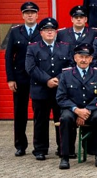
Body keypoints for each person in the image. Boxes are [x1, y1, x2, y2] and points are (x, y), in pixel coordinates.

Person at [25, 17, 73, 160]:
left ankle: (64, 149)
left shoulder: (65, 47)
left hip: (60, 90)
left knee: (63, 120)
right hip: (40, 90)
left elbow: (70, 65)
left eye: (52, 30)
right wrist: (47, 80)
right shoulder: (33, 48)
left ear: (56, 32)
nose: (50, 33)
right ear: (41, 32)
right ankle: (40, 149)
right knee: (40, 121)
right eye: (46, 30)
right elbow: (31, 68)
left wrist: (57, 79)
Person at [55, 43, 97, 169]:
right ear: (75, 58)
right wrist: (77, 110)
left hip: (91, 109)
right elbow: (61, 97)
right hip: (72, 109)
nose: (83, 60)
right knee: (65, 119)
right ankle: (65, 157)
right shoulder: (66, 75)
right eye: (81, 56)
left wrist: (87, 110)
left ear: (91, 59)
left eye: (87, 57)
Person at [5, 1, 41, 156]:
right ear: (23, 15)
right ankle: (20, 145)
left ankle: (39, 146)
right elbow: (8, 57)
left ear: (37, 15)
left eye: (32, 12)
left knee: (39, 112)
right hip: (20, 78)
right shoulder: (15, 32)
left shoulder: (43, 30)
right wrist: (10, 78)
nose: (30, 15)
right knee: (20, 113)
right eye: (27, 13)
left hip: (39, 78)